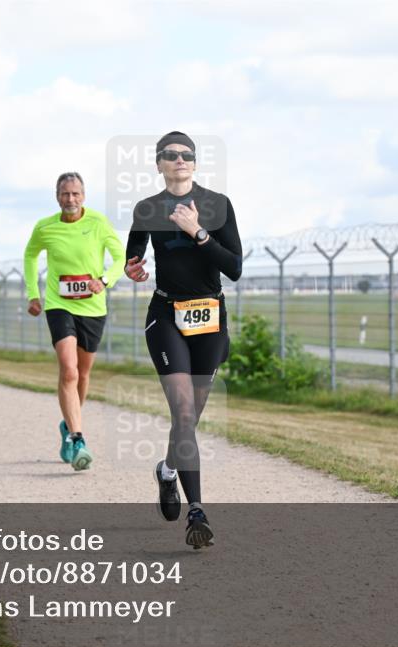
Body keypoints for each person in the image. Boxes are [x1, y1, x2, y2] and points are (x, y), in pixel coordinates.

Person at [125, 131, 242, 549]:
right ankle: (197, 511)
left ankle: (168, 470)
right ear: (158, 163)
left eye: (187, 155)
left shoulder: (217, 205)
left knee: (189, 418)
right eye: (171, 155)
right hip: (165, 314)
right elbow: (134, 254)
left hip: (209, 314)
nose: (180, 160)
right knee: (185, 411)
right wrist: (132, 269)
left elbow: (234, 267)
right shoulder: (148, 208)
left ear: (195, 163)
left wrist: (198, 232)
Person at [24, 172, 125, 471]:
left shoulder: (98, 222)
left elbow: (120, 258)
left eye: (76, 194)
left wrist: (104, 281)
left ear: (84, 196)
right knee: (68, 371)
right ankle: (78, 438)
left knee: (82, 374)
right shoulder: (45, 226)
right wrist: (33, 293)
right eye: (65, 194)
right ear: (57, 196)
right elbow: (30, 256)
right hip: (58, 305)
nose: (71, 199)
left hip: (93, 308)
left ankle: (68, 426)